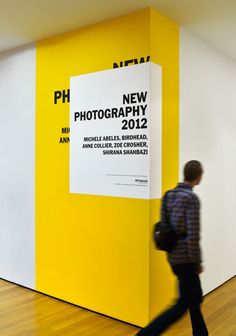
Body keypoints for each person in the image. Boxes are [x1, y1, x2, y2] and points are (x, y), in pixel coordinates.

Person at [136, 160, 208, 336]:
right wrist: (197, 263)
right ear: (198, 177)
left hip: (173, 256)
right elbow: (193, 236)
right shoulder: (191, 199)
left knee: (194, 297)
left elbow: (163, 228)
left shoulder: (168, 195)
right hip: (186, 259)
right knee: (183, 304)